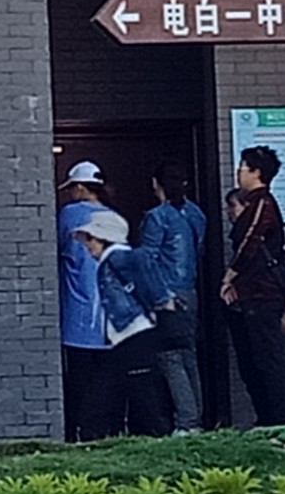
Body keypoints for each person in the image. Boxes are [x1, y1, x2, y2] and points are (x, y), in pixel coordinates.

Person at [74, 210, 174, 438]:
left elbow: (153, 290)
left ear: (103, 238)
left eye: (90, 238)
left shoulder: (119, 258)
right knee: (136, 388)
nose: (87, 245)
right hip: (130, 334)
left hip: (132, 333)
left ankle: (152, 433)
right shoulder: (115, 259)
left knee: (134, 390)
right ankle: (152, 434)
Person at [221, 145, 285, 426]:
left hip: (263, 293)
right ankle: (266, 417)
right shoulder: (254, 203)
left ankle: (278, 420)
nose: (239, 172)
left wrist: (230, 275)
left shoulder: (262, 202)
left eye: (243, 167)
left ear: (256, 172)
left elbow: (250, 241)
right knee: (254, 360)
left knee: (268, 359)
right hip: (251, 292)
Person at [139, 159, 205, 435]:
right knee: (188, 356)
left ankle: (186, 421)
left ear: (157, 185)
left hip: (165, 294)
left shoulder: (157, 217)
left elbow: (147, 259)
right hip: (189, 291)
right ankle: (195, 418)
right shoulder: (195, 214)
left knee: (170, 358)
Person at [56, 160, 112, 442]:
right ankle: (98, 433)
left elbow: (56, 248)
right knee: (102, 384)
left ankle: (74, 433)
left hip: (77, 315)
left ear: (80, 187)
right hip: (108, 318)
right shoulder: (113, 217)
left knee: (77, 381)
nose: (69, 194)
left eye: (71, 189)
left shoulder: (70, 215)